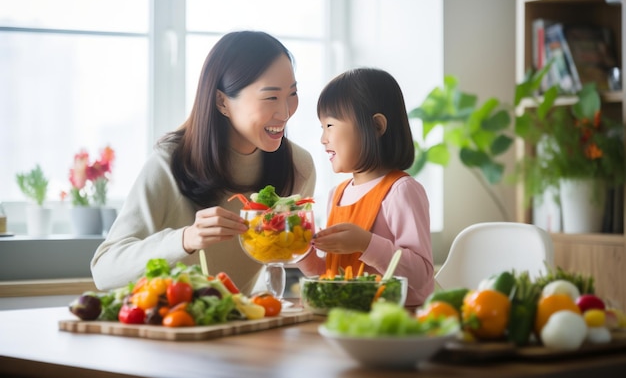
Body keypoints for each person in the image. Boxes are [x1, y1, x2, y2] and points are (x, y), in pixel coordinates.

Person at [91, 31, 316, 294]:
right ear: (222, 101)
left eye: (292, 93)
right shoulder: (170, 162)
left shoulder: (298, 166)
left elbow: (276, 261)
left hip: (237, 324)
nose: (286, 112)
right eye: (270, 97)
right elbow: (104, 270)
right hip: (170, 324)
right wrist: (186, 239)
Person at [297, 68, 434, 307]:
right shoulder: (336, 195)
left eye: (330, 125)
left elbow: (421, 275)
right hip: (348, 317)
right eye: (321, 127)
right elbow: (330, 276)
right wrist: (303, 252)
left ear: (377, 127)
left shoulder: (401, 190)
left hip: (397, 320)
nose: (323, 138)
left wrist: (366, 244)